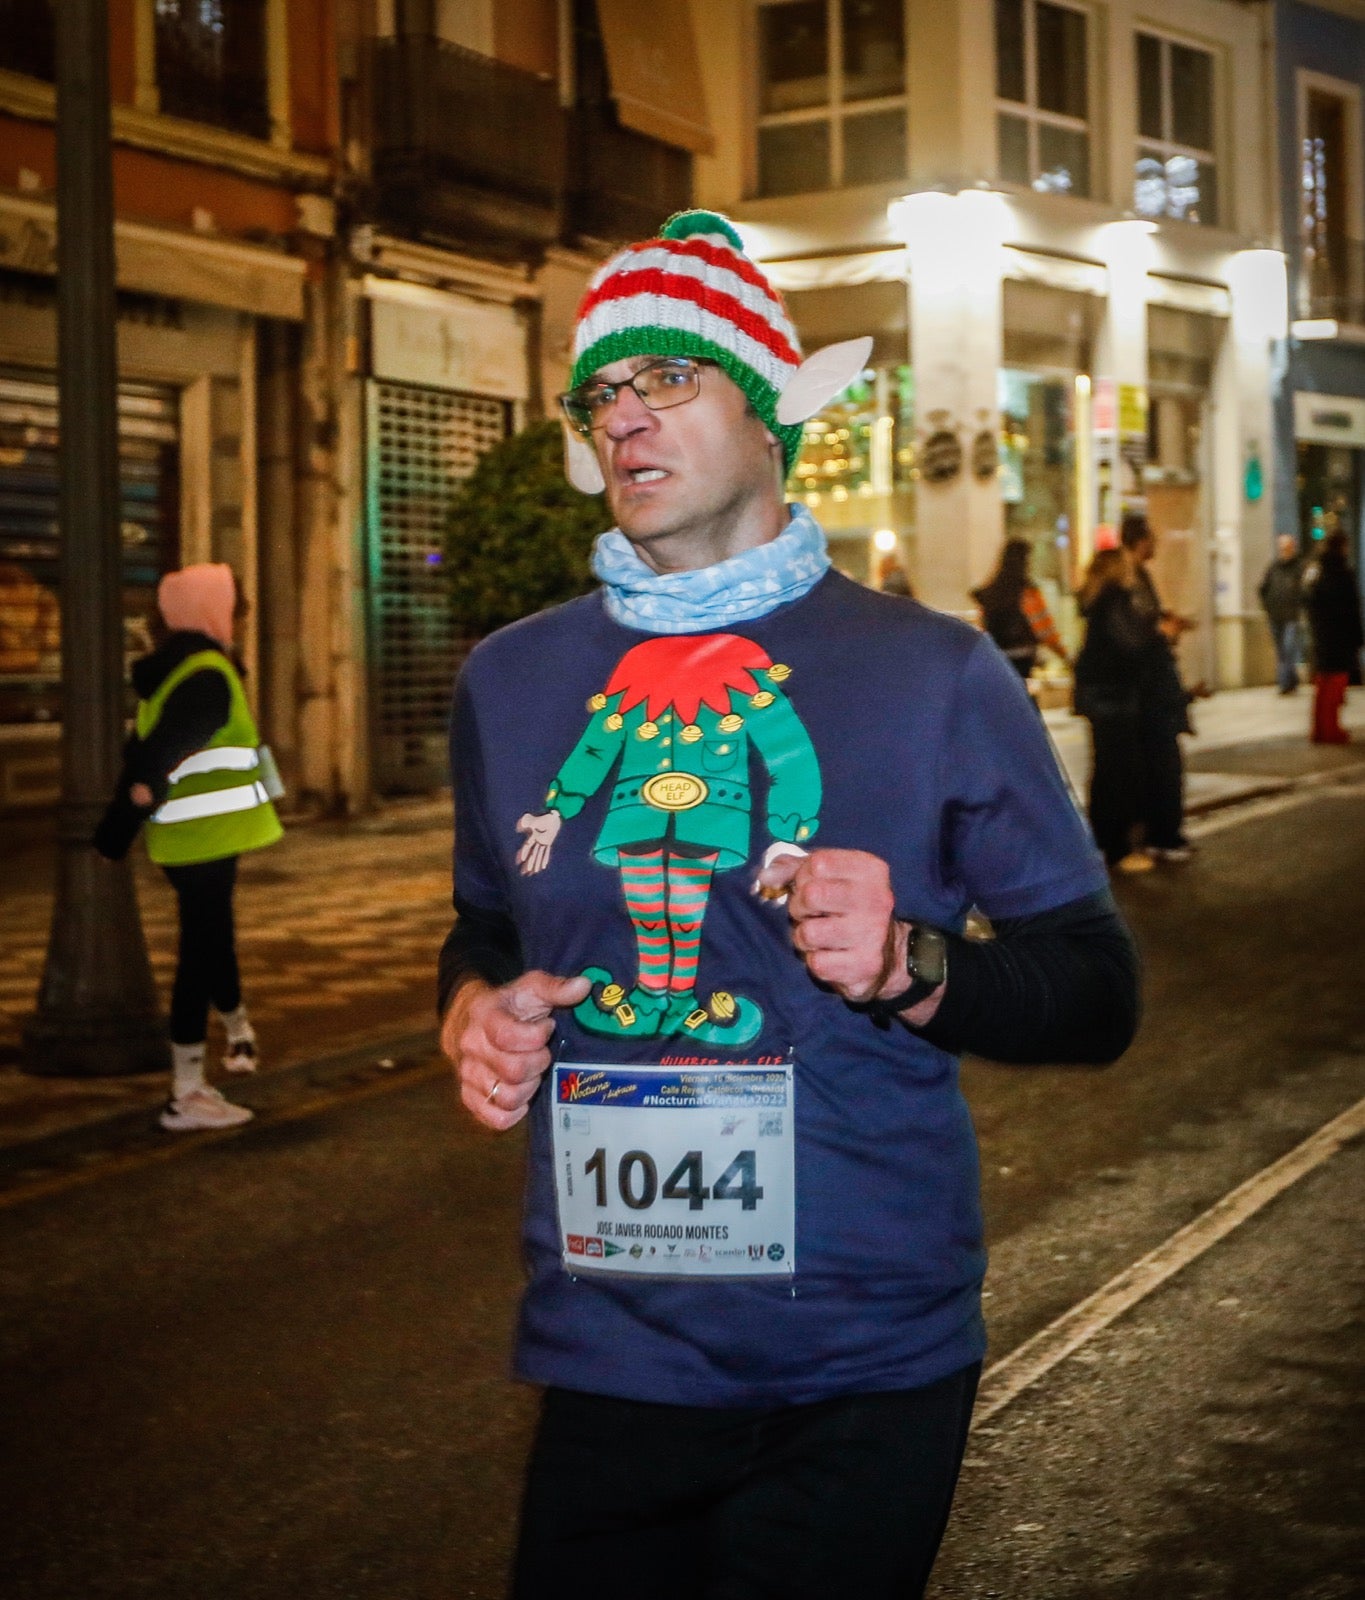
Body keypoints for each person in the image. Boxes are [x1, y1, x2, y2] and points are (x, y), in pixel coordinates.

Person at [438, 210, 1140, 1600]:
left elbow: (1096, 992)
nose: (624, 423)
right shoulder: (511, 683)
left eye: (668, 382)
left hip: (860, 1361)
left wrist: (910, 968)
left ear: (768, 414)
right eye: (601, 397)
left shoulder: (931, 673)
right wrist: (472, 1010)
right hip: (611, 1349)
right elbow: (487, 924)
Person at [95, 563, 281, 1130]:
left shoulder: (174, 673)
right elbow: (152, 763)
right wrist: (112, 835)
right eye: (234, 610)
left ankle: (237, 1034)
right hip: (202, 838)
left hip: (195, 838)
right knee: (198, 956)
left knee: (211, 937)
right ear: (211, 613)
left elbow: (139, 749)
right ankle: (187, 1092)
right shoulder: (206, 676)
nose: (239, 622)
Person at [1072, 547, 1156, 875]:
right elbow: (1132, 645)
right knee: (1119, 770)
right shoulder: (1116, 599)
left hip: (1097, 693)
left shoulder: (1095, 601)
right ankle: (1116, 847)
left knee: (1106, 768)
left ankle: (1102, 844)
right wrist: (1158, 636)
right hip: (1114, 693)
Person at [1119, 513, 1195, 863]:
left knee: (1158, 764)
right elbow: (1137, 634)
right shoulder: (1128, 578)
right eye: (1151, 538)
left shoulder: (1139, 576)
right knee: (1161, 765)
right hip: (1148, 687)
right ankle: (1162, 834)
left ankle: (1159, 832)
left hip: (1151, 685)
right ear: (1140, 540)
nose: (1156, 544)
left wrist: (1167, 623)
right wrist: (1161, 631)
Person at [970, 537, 1070, 681]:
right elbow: (1044, 630)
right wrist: (1064, 654)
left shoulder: (990, 594)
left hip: (996, 657)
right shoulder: (1028, 593)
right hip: (1023, 658)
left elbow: (983, 628)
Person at [1304, 530, 1363, 744]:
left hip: (1321, 636)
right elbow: (1350, 608)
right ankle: (1330, 730)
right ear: (1342, 547)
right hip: (1339, 637)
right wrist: (1357, 638)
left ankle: (1319, 729)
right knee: (1336, 685)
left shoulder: (1316, 571)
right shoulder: (1341, 573)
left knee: (1322, 684)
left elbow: (1309, 602)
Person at [1258, 533, 1305, 695]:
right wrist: (1267, 608)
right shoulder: (1273, 568)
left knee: (1288, 648)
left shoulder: (1299, 568)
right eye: (1281, 547)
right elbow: (1262, 589)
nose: (1284, 550)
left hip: (1292, 616)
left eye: (1287, 547)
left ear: (1293, 547)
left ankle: (1284, 684)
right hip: (1275, 616)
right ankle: (1292, 680)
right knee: (1281, 651)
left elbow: (1304, 591)